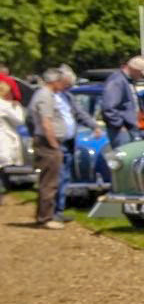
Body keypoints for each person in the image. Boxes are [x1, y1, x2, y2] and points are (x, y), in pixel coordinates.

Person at [54, 67, 101, 220]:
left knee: (65, 176)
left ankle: (59, 209)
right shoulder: (48, 97)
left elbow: (80, 114)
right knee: (56, 177)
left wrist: (93, 125)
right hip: (55, 142)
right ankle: (52, 212)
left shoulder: (67, 97)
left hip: (68, 142)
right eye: (67, 84)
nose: (68, 87)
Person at [28, 69, 69, 228]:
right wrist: (54, 144)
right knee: (49, 182)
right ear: (54, 81)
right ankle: (45, 218)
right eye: (61, 81)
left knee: (48, 180)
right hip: (47, 143)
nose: (62, 84)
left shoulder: (44, 95)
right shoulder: (45, 96)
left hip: (45, 141)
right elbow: (46, 122)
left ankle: (44, 215)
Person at [102, 56, 144, 148]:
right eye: (140, 73)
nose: (141, 76)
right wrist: (119, 125)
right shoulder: (117, 81)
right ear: (134, 69)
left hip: (131, 128)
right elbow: (108, 107)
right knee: (124, 158)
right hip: (122, 130)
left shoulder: (128, 81)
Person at [0, 81, 24, 204]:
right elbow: (19, 120)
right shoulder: (4, 105)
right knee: (2, 168)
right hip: (3, 139)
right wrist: (16, 106)